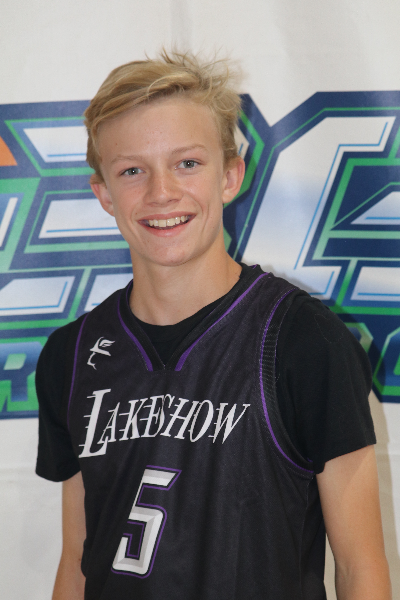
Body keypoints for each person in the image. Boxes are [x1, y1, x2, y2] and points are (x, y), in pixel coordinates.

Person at [35, 51, 391, 600]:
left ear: (230, 175)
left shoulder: (305, 341)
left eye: (187, 163)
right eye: (132, 171)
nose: (161, 193)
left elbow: (360, 568)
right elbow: (77, 562)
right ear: (103, 193)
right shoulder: (72, 354)